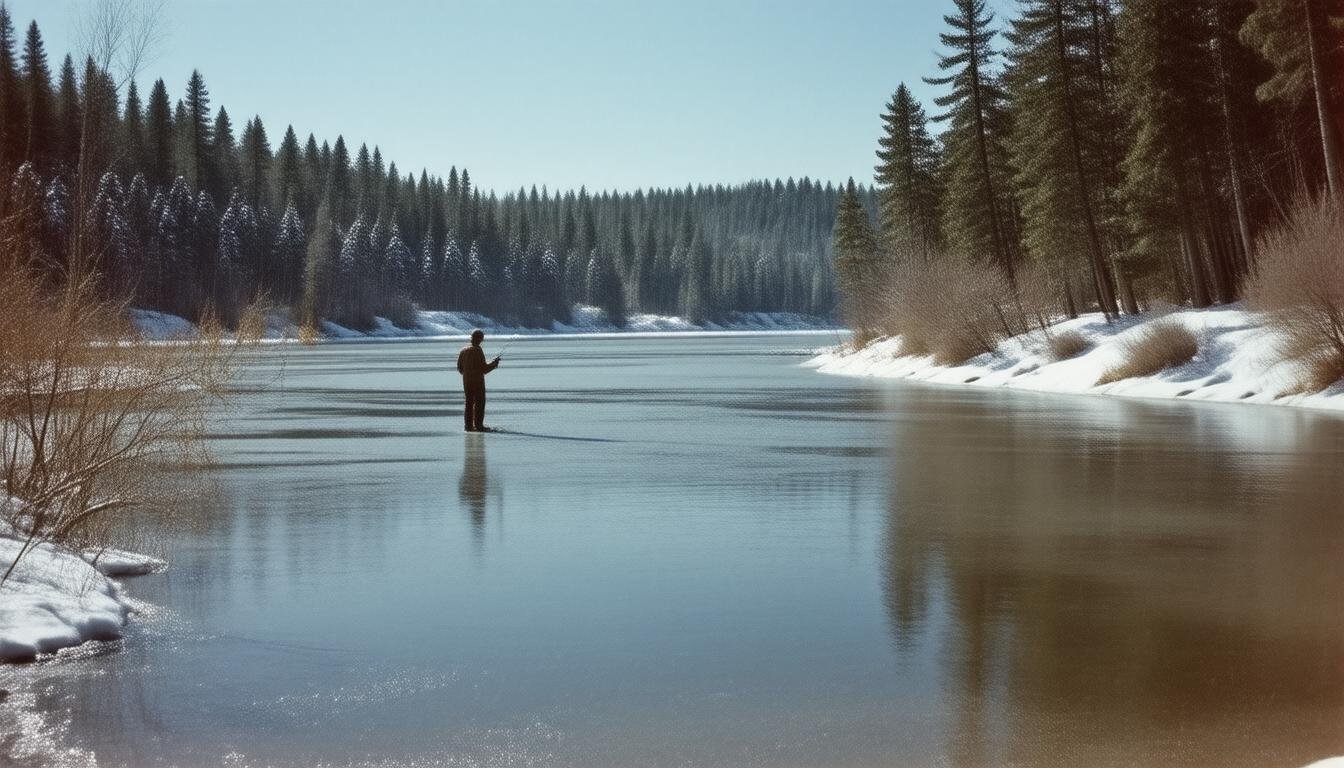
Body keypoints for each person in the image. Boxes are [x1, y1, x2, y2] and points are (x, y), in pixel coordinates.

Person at [456, 329, 501, 432]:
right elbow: (484, 369)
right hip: (478, 382)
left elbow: (459, 368)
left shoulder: (463, 350)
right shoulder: (478, 350)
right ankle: (479, 426)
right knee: (480, 403)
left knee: (468, 403)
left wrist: (468, 373)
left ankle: (468, 426)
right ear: (481, 339)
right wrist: (494, 364)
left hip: (467, 382)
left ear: (471, 338)